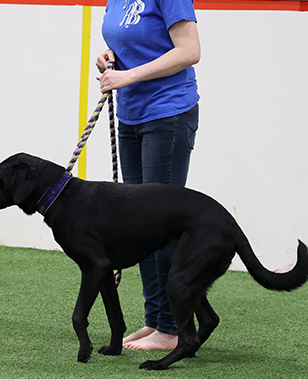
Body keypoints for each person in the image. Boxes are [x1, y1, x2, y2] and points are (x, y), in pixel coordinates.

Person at [95, 0, 200, 351]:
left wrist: (128, 75)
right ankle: (156, 319)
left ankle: (171, 329)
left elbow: (189, 51)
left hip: (167, 114)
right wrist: (113, 56)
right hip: (132, 115)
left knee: (163, 226)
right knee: (138, 225)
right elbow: (137, 39)